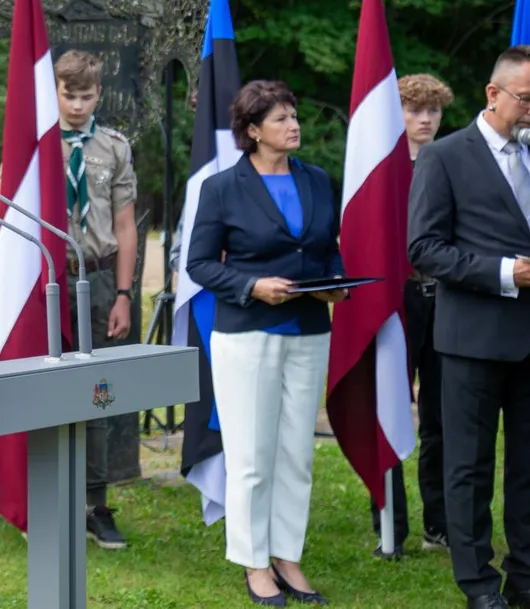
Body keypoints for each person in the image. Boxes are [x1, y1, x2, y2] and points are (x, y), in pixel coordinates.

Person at [186, 79, 347, 607]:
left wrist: (338, 285)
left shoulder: (319, 180)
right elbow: (200, 265)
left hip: (307, 330)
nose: (293, 124)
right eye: (280, 119)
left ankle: (287, 556)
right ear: (252, 132)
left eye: (294, 114)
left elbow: (327, 252)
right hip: (246, 333)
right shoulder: (222, 188)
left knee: (296, 452)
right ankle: (255, 563)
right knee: (252, 456)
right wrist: (253, 286)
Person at [408, 47, 530, 609]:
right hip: (471, 341)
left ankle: (526, 574)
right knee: (469, 467)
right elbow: (425, 248)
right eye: (526, 100)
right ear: (493, 93)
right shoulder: (446, 158)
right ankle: (478, 584)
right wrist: (505, 272)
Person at [55, 50, 138, 549]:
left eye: (88, 96)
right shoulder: (35, 143)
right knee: (44, 386)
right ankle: (48, 498)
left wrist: (125, 293)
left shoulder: (113, 147)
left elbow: (125, 227)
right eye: (70, 95)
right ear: (56, 92)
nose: (79, 105)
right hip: (49, 281)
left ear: (99, 94)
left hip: (102, 281)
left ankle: (95, 504)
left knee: (96, 393)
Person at [370, 73, 453, 558]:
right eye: (414, 110)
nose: (424, 119)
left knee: (441, 415)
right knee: (389, 409)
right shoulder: (379, 166)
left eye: (433, 111)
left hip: (445, 299)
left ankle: (438, 522)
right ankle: (389, 524)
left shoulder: (455, 162)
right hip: (394, 301)